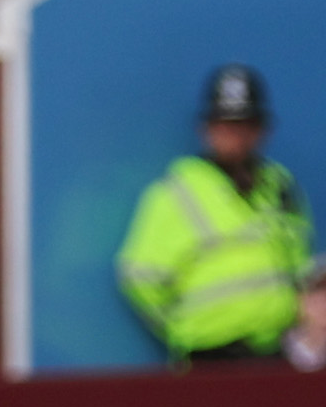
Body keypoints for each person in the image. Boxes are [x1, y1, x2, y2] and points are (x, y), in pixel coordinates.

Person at [117, 65, 310, 365]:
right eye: (225, 124)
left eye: (246, 124)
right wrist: (181, 330)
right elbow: (138, 277)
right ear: (205, 129)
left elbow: (300, 259)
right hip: (210, 356)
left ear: (262, 130)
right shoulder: (173, 193)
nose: (236, 135)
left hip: (278, 352)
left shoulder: (280, 185)